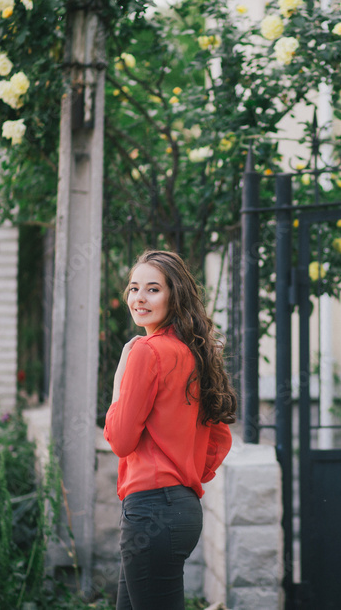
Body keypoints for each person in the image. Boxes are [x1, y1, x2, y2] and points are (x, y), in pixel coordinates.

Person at [104, 250, 237, 610]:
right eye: (134, 289)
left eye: (152, 289)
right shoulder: (193, 353)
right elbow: (219, 437)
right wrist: (185, 474)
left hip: (150, 509)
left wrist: (118, 385)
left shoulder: (145, 352)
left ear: (174, 295)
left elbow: (120, 440)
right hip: (181, 509)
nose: (139, 299)